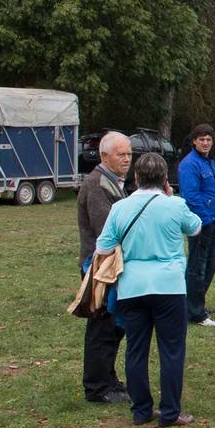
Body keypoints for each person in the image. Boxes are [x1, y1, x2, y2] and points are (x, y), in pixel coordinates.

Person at [93, 152, 202, 427]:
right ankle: (170, 411)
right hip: (169, 285)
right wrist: (170, 196)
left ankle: (141, 409)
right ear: (166, 179)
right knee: (172, 350)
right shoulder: (174, 205)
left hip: (132, 285)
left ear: (136, 178)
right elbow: (196, 227)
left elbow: (103, 247)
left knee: (136, 349)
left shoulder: (121, 208)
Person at [76, 130, 133, 404]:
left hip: (111, 267)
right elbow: (107, 230)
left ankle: (108, 378)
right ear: (104, 155)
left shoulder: (113, 181)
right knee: (102, 328)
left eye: (129, 154)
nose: (126, 159)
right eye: (121, 154)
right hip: (99, 268)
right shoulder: (98, 184)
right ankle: (97, 387)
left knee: (113, 328)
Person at [178, 124, 215, 328]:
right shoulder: (190, 164)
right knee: (198, 266)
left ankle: (196, 304)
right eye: (201, 139)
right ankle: (195, 312)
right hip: (201, 223)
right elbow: (191, 196)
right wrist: (205, 219)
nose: (205, 143)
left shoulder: (208, 162)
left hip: (213, 220)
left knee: (210, 265)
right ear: (194, 141)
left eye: (208, 139)